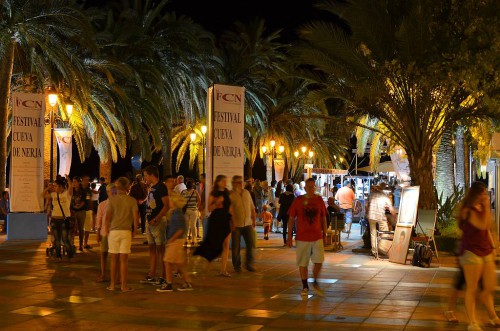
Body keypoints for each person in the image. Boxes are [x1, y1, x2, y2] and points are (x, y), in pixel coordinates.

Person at [457, 181, 500, 331]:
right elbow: (481, 225)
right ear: (476, 194)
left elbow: (487, 228)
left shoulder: (483, 208)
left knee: (489, 286)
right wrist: (487, 207)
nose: (485, 195)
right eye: (483, 193)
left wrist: (494, 246)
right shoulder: (467, 210)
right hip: (471, 251)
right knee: (472, 288)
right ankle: (473, 322)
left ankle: (492, 315)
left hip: (485, 250)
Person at [287, 178, 328, 297]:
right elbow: (291, 219)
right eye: (309, 187)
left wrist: (324, 233)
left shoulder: (319, 200)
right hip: (302, 237)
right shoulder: (298, 200)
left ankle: (315, 280)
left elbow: (323, 217)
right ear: (305, 188)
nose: (311, 189)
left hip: (317, 236)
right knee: (303, 262)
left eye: (313, 187)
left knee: (319, 261)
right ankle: (305, 286)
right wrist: (289, 237)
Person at [194, 175, 233, 276]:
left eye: (225, 181)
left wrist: (233, 219)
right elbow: (209, 209)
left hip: (225, 219)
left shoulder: (227, 192)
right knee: (214, 244)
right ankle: (207, 265)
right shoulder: (213, 193)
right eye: (223, 181)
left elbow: (230, 207)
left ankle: (223, 270)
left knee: (226, 245)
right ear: (218, 182)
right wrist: (216, 203)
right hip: (216, 220)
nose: (225, 183)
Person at [105, 177, 139, 292]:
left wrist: (106, 228)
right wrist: (135, 230)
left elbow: (108, 217)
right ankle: (124, 285)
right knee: (124, 260)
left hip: (114, 231)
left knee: (114, 259)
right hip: (126, 231)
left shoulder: (112, 200)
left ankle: (112, 284)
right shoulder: (132, 200)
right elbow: (136, 218)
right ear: (127, 187)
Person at [157, 193, 193, 292]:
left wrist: (171, 239)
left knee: (167, 261)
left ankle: (169, 283)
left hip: (176, 241)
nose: (169, 202)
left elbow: (180, 229)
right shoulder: (175, 212)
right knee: (179, 263)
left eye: (170, 200)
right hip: (177, 240)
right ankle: (187, 282)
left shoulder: (177, 213)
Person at [141, 165, 169, 285]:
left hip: (157, 223)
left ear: (152, 174)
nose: (145, 177)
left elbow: (167, 205)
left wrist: (157, 218)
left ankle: (163, 275)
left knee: (160, 249)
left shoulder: (161, 187)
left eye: (146, 175)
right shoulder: (152, 187)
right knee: (152, 248)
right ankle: (152, 274)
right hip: (150, 222)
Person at [42, 177, 74, 261]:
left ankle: (70, 256)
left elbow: (71, 187)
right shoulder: (53, 194)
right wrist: (48, 187)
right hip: (54, 219)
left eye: (55, 186)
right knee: (56, 240)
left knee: (65, 239)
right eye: (54, 186)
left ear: (60, 186)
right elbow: (42, 195)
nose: (54, 187)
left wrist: (69, 180)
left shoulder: (67, 194)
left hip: (64, 219)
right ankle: (58, 256)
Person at [229, 175, 256, 273]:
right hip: (237, 225)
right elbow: (230, 210)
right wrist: (233, 221)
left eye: (241, 182)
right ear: (233, 183)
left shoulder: (247, 193)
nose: (240, 184)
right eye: (238, 182)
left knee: (250, 244)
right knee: (236, 246)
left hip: (247, 223)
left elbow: (252, 207)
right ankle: (237, 266)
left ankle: (249, 264)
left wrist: (253, 219)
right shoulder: (231, 195)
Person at [366, 183, 394, 257]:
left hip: (371, 216)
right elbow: (391, 209)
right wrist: (395, 217)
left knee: (373, 233)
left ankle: (374, 251)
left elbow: (367, 205)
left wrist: (367, 214)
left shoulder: (372, 194)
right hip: (380, 216)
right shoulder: (385, 196)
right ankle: (381, 247)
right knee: (385, 231)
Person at [96, 183, 116, 283]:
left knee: (115, 255)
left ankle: (115, 276)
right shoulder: (102, 204)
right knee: (103, 254)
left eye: (115, 191)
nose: (113, 193)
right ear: (108, 192)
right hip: (105, 232)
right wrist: (98, 233)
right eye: (111, 191)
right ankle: (103, 274)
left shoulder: (118, 204)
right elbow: (99, 219)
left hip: (115, 232)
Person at [181, 179, 201, 246]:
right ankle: (193, 240)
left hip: (185, 211)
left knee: (186, 226)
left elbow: (180, 201)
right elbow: (199, 200)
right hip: (193, 210)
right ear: (192, 185)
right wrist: (197, 207)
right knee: (193, 226)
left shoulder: (183, 192)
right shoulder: (195, 192)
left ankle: (185, 240)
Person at [71, 176, 87, 252]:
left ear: (78, 183)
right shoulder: (72, 191)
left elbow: (84, 201)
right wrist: (73, 207)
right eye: (72, 182)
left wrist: (78, 207)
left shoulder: (83, 191)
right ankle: (72, 244)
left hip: (81, 211)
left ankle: (81, 245)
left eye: (75, 182)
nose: (73, 183)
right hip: (73, 211)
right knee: (72, 228)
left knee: (81, 229)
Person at [81, 175, 93, 249]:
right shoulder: (79, 189)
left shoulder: (88, 189)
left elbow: (90, 199)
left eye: (88, 180)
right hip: (80, 210)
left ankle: (85, 243)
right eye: (85, 180)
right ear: (82, 181)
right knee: (80, 227)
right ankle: (80, 243)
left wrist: (91, 208)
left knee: (87, 227)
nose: (87, 181)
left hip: (88, 210)